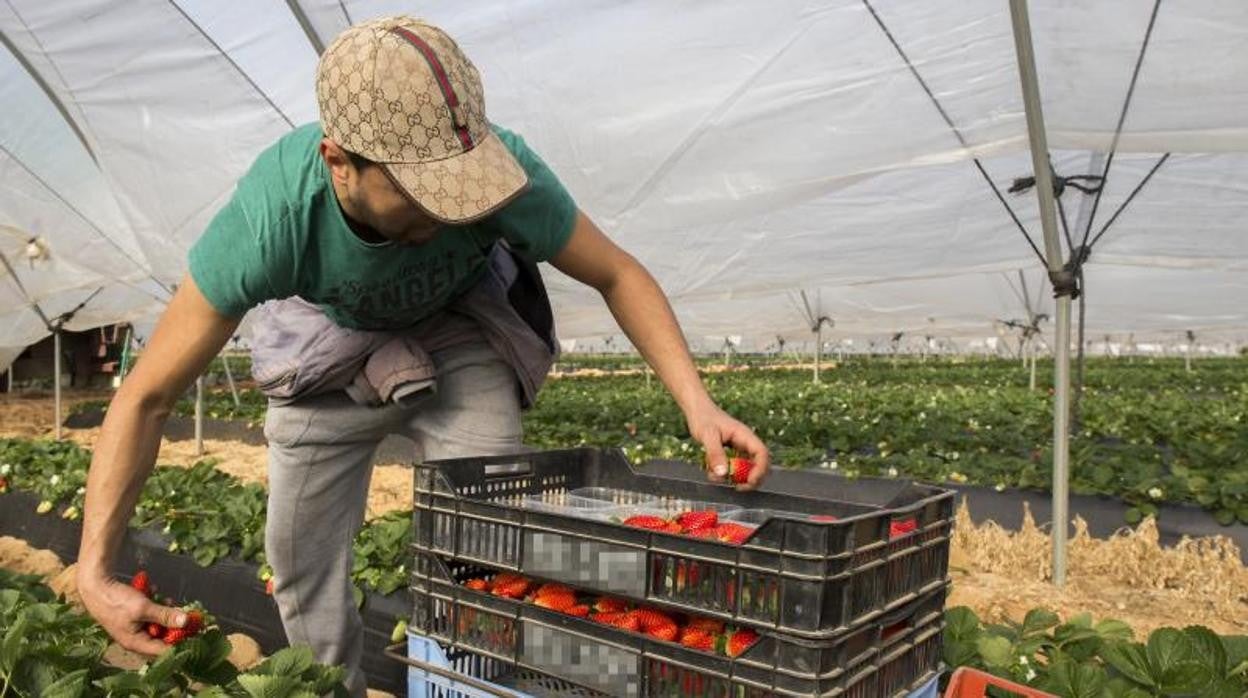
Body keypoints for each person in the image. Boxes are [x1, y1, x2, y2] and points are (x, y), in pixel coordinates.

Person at [76, 15, 769, 696]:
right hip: (326, 347)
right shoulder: (272, 219)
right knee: (299, 561)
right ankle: (331, 688)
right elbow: (147, 396)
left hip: (456, 329)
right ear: (339, 163)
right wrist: (94, 571)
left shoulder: (503, 174)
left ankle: (467, 684)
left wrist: (698, 403)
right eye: (419, 193)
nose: (447, 213)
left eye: (460, 189)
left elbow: (616, 271)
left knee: (491, 541)